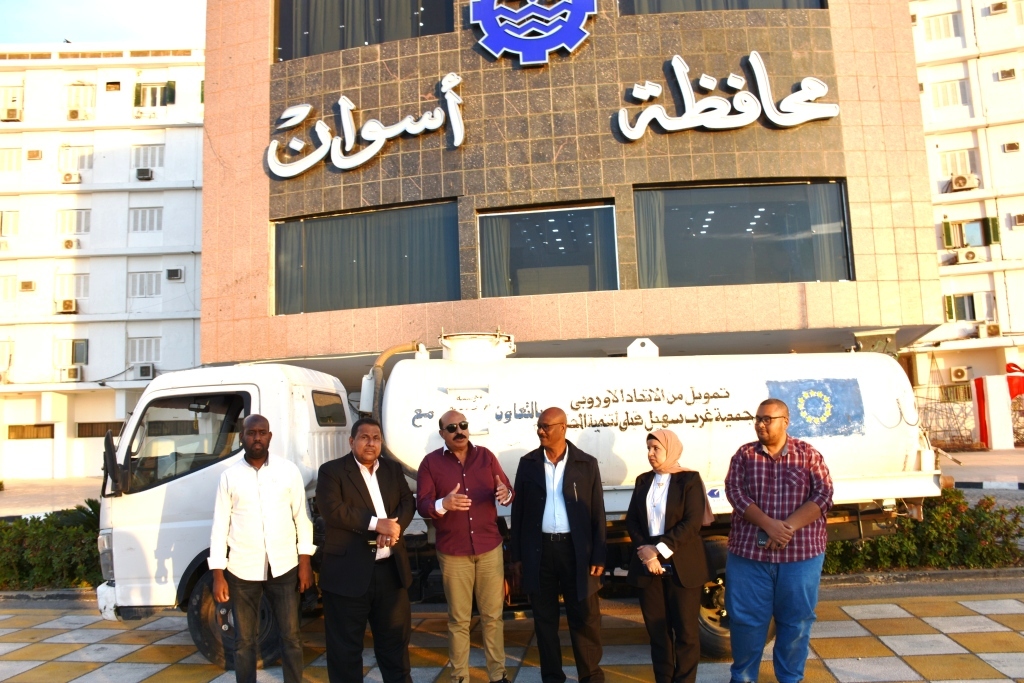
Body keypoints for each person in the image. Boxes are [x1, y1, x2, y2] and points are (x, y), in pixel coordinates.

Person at [724, 398, 834, 683]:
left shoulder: (807, 455)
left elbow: (823, 495)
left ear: (785, 421)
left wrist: (787, 527)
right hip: (750, 556)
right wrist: (768, 524)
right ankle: (743, 678)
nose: (760, 424)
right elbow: (734, 492)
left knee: (796, 623)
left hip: (800, 557)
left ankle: (790, 679)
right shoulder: (744, 455)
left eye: (767, 419)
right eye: (758, 419)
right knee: (745, 623)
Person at [208, 414, 315, 683]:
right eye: (251, 432)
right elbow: (220, 526)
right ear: (242, 436)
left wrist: (305, 562)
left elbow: (302, 518)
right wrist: (218, 574)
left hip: (285, 566)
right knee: (244, 641)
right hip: (242, 569)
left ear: (269, 436)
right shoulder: (229, 477)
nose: (257, 437)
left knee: (291, 637)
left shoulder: (288, 471)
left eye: (262, 432)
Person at [416, 411, 514, 683]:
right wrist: (443, 504)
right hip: (453, 553)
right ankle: (460, 677)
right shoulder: (430, 463)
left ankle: (498, 675)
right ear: (442, 434)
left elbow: (507, 490)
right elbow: (422, 504)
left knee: (493, 617)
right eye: (451, 428)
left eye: (463, 425)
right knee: (459, 620)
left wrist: (505, 494)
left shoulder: (486, 457)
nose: (459, 431)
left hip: (489, 548)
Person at [316, 417, 415, 683]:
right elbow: (333, 510)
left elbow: (408, 502)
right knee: (345, 653)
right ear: (352, 441)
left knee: (395, 650)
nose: (371, 443)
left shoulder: (392, 469)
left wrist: (393, 529)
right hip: (348, 575)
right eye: (364, 437)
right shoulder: (332, 471)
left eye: (376, 438)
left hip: (390, 573)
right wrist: (376, 524)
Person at [510, 407, 606, 683]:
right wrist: (517, 557)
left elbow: (597, 513)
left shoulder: (586, 464)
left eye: (546, 426)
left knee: (585, 617)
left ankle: (591, 676)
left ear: (563, 428)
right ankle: (552, 677)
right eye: (539, 426)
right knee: (544, 621)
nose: (541, 431)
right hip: (540, 552)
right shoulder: (528, 463)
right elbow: (519, 512)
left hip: (576, 552)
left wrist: (599, 554)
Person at [626, 429, 713, 683]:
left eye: (656, 448)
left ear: (670, 450)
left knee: (686, 633)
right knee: (658, 634)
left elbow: (691, 522)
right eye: (648, 449)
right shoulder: (643, 481)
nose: (651, 453)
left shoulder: (689, 479)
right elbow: (632, 520)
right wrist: (646, 552)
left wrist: (658, 550)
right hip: (647, 564)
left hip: (683, 563)